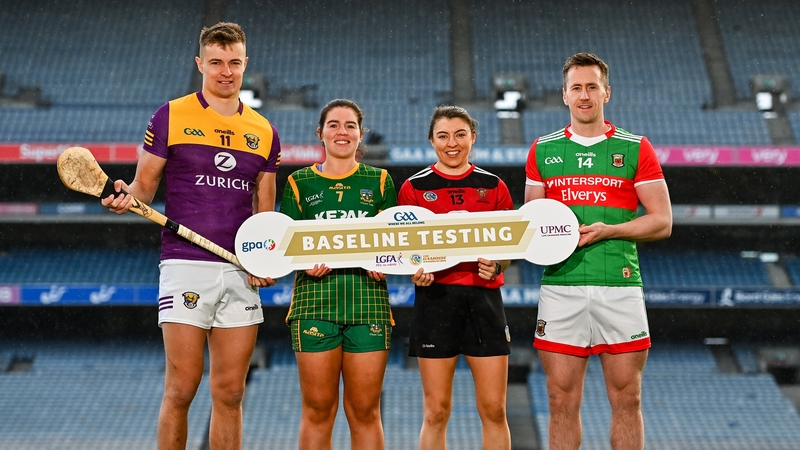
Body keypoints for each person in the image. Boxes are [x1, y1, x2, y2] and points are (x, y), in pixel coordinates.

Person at [102, 22, 280, 450]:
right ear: (200, 63)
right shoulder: (170, 115)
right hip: (185, 265)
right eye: (216, 62)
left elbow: (265, 211)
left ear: (245, 64)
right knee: (181, 388)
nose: (225, 72)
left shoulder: (265, 131)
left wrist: (263, 260)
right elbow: (144, 187)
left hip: (238, 270)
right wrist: (127, 196)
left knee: (231, 393)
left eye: (233, 62)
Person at [524, 53, 673, 450]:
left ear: (607, 92)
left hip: (619, 286)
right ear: (564, 95)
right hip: (562, 285)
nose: (584, 95)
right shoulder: (541, 150)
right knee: (560, 400)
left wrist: (612, 231)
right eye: (576, 87)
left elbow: (662, 221)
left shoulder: (636, 147)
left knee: (628, 398)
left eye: (592, 87)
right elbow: (531, 226)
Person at [279, 98, 396, 450]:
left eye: (350, 126)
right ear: (320, 133)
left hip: (368, 303)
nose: (342, 132)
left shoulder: (380, 181)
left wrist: (385, 261)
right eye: (334, 125)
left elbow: (394, 242)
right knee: (318, 411)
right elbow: (286, 245)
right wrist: (303, 261)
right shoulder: (299, 182)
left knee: (365, 412)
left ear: (361, 134)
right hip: (314, 304)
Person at [397, 105, 513, 450]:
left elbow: (508, 247)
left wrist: (499, 265)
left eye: (460, 135)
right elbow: (406, 251)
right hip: (436, 300)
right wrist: (415, 272)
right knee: (436, 411)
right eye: (443, 136)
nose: (452, 143)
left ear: (473, 138)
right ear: (431, 141)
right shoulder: (413, 189)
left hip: (484, 300)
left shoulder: (494, 186)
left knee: (495, 410)